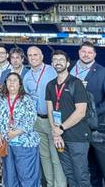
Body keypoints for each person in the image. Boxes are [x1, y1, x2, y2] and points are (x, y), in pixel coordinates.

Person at [71, 41, 105, 187]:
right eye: (83, 51)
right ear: (79, 52)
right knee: (71, 163)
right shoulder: (70, 68)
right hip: (69, 124)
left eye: (89, 52)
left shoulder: (104, 73)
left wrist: (93, 113)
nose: (86, 55)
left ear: (95, 55)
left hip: (90, 126)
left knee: (92, 166)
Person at [46, 50, 91, 187]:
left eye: (61, 59)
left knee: (81, 175)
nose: (58, 62)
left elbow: (81, 112)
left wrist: (61, 128)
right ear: (52, 64)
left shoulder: (76, 83)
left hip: (77, 137)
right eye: (55, 60)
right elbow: (50, 110)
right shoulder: (50, 85)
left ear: (67, 63)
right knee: (69, 174)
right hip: (60, 137)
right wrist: (56, 133)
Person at [24, 46, 65, 187]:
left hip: (52, 121)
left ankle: (59, 184)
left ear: (42, 56)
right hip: (37, 120)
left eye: (35, 54)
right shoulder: (27, 76)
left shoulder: (52, 71)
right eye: (30, 55)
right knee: (44, 156)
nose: (33, 57)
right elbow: (28, 99)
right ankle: (49, 183)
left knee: (56, 157)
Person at [0, 73, 41, 187]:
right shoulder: (0, 99)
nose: (12, 83)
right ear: (5, 83)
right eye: (9, 80)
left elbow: (31, 119)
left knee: (27, 177)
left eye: (15, 80)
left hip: (24, 144)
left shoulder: (26, 99)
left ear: (20, 84)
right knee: (10, 177)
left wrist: (16, 133)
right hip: (7, 144)